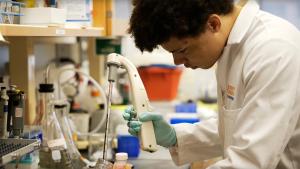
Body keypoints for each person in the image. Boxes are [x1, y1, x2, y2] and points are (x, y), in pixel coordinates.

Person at [123, 0, 300, 168]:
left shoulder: (272, 50)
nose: (177, 62)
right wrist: (174, 137)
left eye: (182, 50)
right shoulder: (230, 48)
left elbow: (251, 160)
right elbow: (235, 128)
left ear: (213, 24)